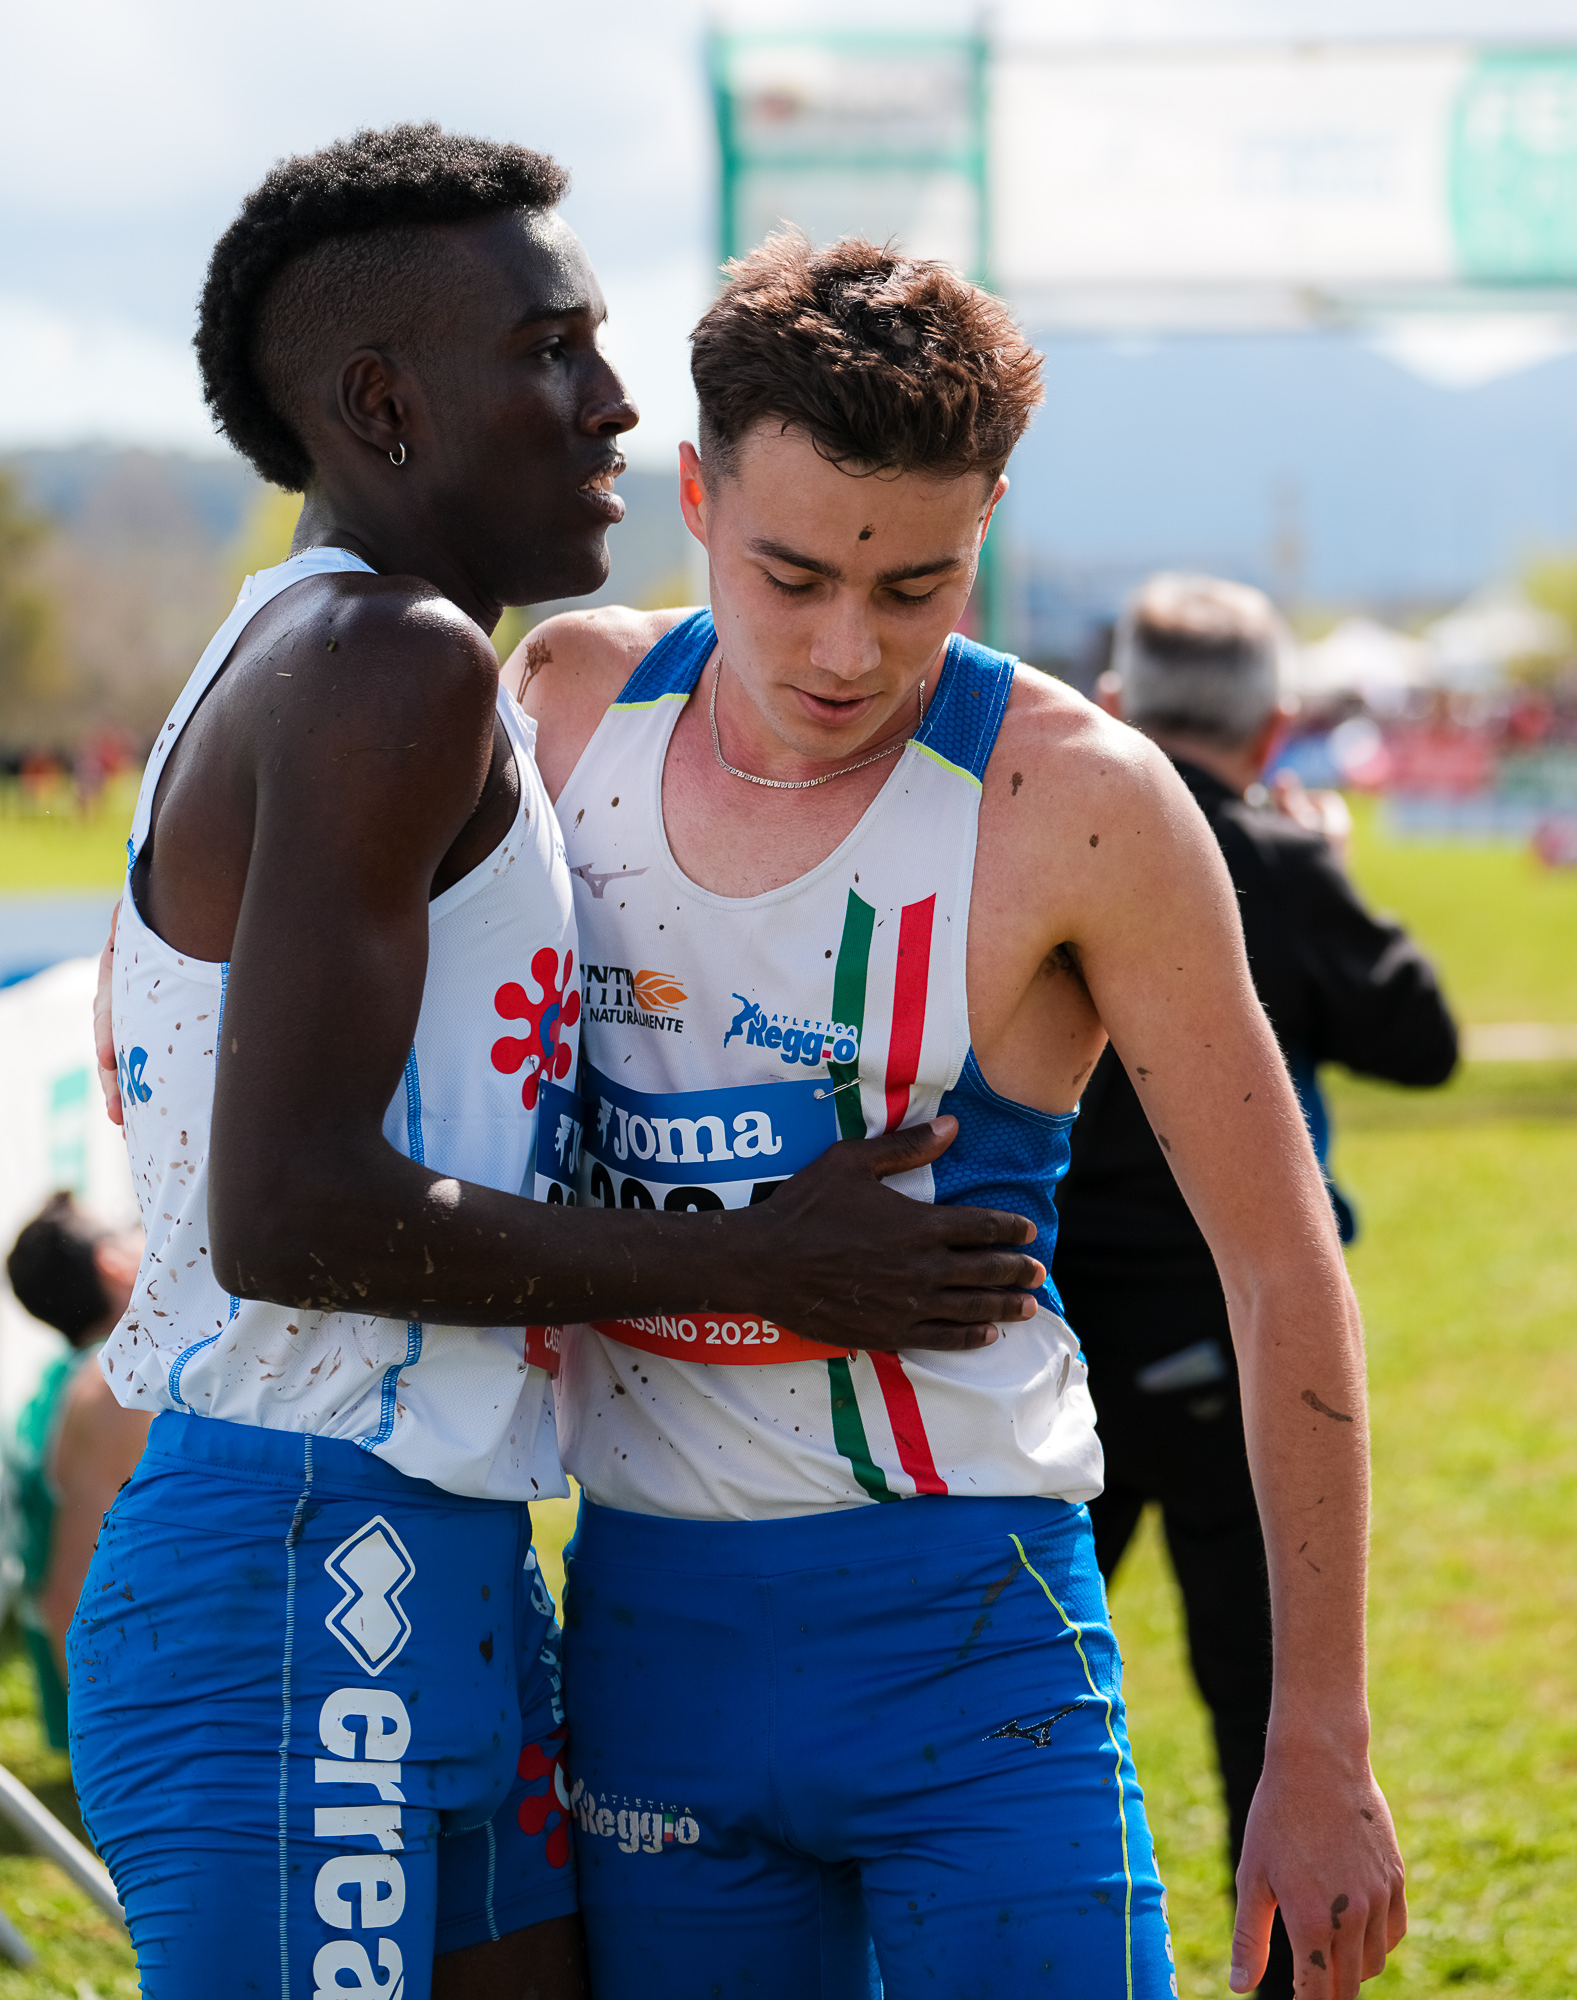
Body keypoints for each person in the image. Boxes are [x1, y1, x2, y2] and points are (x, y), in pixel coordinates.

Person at [79, 131, 1043, 2000]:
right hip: (301, 1550)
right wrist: (755, 1260)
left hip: (438, 1547)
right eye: (550, 349)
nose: (614, 399)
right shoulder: (386, 658)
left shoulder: (367, 655)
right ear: (385, 405)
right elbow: (288, 1213)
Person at [511, 233, 1407, 1999]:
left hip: (972, 1627)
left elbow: (1283, 1271)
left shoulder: (1085, 801)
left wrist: (1318, 1737)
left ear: (987, 523)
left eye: (918, 585)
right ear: (694, 497)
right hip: (648, 1633)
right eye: (789, 577)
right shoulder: (564, 708)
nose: (849, 648)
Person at [1050, 572, 1456, 1999]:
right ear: (1275, 729)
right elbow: (1422, 1038)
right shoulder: (1275, 860)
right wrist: (1317, 865)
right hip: (1240, 1351)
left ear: (1111, 708)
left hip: (1055, 1349)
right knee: (1266, 1715)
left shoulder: (1057, 837)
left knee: (1012, 1698)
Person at [3, 1194, 150, 1749]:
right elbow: (73, 1589)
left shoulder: (84, 1376)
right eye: (132, 1227)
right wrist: (119, 1748)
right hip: (135, 1710)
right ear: (112, 1263)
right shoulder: (114, 1389)